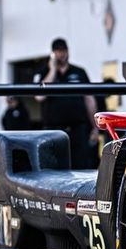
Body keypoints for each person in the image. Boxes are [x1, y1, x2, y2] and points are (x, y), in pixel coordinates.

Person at [34, 38, 99, 169]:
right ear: (52, 53)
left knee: (80, 167)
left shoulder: (79, 72)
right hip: (53, 129)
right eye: (58, 51)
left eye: (63, 50)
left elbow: (89, 99)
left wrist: (95, 127)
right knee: (54, 168)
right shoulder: (43, 73)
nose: (61, 54)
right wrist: (52, 70)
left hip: (78, 128)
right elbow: (39, 96)